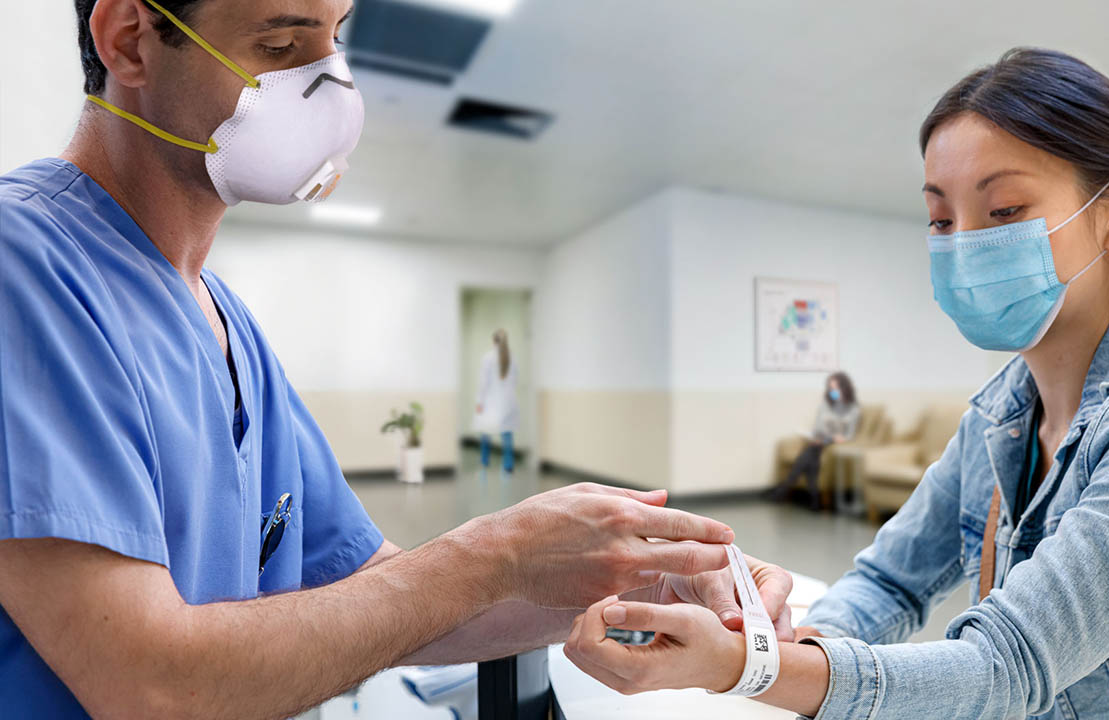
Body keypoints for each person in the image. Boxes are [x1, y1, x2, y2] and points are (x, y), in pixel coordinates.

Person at [0, 1, 794, 716]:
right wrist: (494, 553)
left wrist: (629, 577)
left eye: (335, 40)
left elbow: (373, 599)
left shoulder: (226, 321)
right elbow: (148, 688)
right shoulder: (25, 267)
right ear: (131, 41)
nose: (332, 90)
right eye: (282, 42)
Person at [565, 48, 1109, 719]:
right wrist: (774, 636)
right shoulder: (1000, 415)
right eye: (941, 218)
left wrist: (744, 669)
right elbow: (889, 581)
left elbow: (1004, 669)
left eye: (1003, 213)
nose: (965, 246)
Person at [770, 371, 861, 511]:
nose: (833, 391)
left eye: (835, 388)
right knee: (812, 459)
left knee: (807, 456)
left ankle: (784, 490)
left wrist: (836, 437)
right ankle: (814, 499)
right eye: (831, 388)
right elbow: (819, 426)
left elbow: (849, 434)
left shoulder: (853, 408)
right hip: (821, 439)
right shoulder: (826, 404)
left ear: (844, 387)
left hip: (836, 442)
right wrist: (818, 436)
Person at [474, 329, 519, 473]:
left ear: (493, 341)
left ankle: (484, 461)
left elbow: (483, 382)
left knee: (486, 431)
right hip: (508, 401)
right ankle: (508, 464)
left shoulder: (488, 358)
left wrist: (480, 401)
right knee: (507, 433)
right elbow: (514, 380)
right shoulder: (512, 357)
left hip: (491, 401)